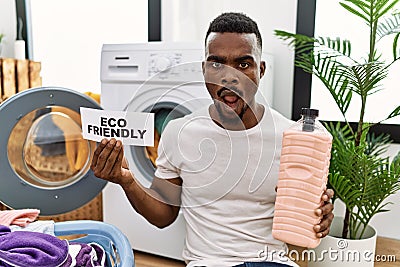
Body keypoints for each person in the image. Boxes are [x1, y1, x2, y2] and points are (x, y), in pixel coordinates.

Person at [91, 12, 334, 267]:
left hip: (271, 261)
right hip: (208, 262)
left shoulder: (291, 138)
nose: (229, 76)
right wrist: (125, 180)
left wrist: (318, 218)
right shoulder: (179, 132)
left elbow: (303, 220)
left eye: (243, 64)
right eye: (217, 64)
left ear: (260, 70)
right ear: (204, 69)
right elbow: (163, 216)